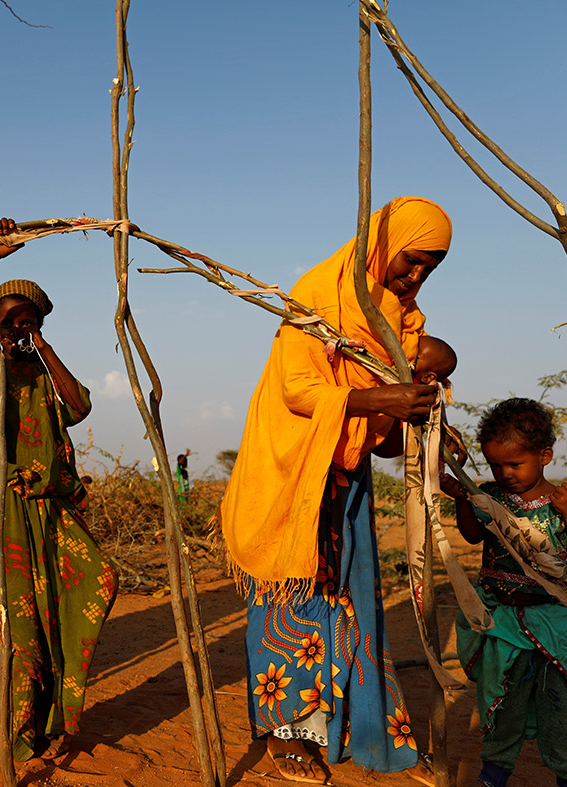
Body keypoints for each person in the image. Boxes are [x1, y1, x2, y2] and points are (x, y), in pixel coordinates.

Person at [221, 197, 451, 786]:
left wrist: (421, 420)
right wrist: (387, 400)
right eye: (413, 260)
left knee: (353, 600)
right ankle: (288, 732)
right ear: (383, 242)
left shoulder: (398, 317)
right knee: (291, 599)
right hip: (292, 472)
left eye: (432, 266)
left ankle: (365, 727)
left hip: (344, 476)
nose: (417, 275)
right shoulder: (321, 294)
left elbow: (381, 441)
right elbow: (300, 390)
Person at [0, 220, 118, 761]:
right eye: (9, 323)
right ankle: (21, 731)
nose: (18, 332)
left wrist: (42, 346)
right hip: (5, 517)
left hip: (52, 514)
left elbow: (81, 407)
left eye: (28, 323)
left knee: (87, 589)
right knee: (22, 629)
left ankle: (55, 713)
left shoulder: (46, 376)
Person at [440, 398, 567, 787]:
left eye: (514, 464)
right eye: (496, 465)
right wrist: (464, 499)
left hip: (559, 626)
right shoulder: (491, 497)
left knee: (561, 707)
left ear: (544, 455)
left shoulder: (566, 504)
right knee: (501, 704)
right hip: (503, 621)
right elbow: (474, 535)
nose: (505, 473)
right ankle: (494, 773)